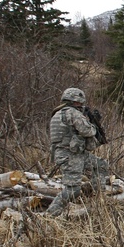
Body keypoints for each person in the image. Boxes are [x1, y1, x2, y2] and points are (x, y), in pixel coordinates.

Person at [46, 87, 109, 217]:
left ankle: (92, 194)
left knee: (101, 165)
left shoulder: (58, 114)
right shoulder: (72, 113)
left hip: (73, 154)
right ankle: (50, 215)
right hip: (70, 155)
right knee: (73, 189)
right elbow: (88, 131)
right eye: (79, 103)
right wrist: (92, 123)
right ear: (74, 102)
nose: (81, 105)